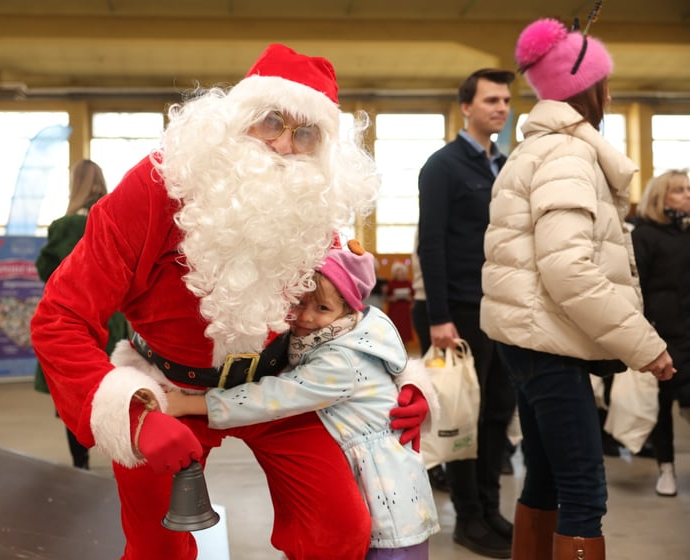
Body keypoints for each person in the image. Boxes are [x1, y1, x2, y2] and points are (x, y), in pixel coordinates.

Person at [30, 43, 429, 560]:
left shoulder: (308, 202)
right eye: (271, 122)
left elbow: (348, 314)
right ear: (235, 120)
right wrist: (134, 416)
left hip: (277, 385)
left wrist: (401, 382)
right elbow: (59, 317)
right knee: (158, 549)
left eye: (304, 133)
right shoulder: (154, 188)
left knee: (339, 531)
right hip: (168, 391)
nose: (284, 146)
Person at [481, 17, 675, 560]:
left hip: (530, 337)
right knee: (584, 491)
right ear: (584, 91)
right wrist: (645, 344)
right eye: (604, 83)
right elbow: (568, 270)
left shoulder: (539, 149)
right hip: (547, 344)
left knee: (544, 478)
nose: (610, 93)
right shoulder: (567, 155)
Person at [162, 242, 440, 559]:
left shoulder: (339, 363)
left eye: (322, 308)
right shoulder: (350, 333)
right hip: (383, 486)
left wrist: (191, 404)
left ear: (349, 309)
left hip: (388, 504)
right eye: (300, 303)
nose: (306, 317)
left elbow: (273, 397)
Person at [416, 67, 517, 558]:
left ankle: (492, 510)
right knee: (462, 415)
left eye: (506, 100)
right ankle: (467, 518)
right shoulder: (444, 165)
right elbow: (430, 245)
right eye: (492, 100)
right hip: (456, 311)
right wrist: (438, 316)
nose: (501, 107)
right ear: (468, 108)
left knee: (498, 411)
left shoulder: (504, 164)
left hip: (501, 308)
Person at [33, 159, 130, 469]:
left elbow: (47, 271)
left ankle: (81, 464)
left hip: (75, 317)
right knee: (118, 390)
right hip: (114, 319)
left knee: (76, 391)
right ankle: (124, 458)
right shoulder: (116, 217)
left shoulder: (65, 226)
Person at [631, 169, 690, 498]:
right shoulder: (644, 236)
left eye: (688, 189)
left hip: (689, 327)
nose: (687, 195)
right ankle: (665, 467)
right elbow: (637, 288)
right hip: (663, 332)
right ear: (660, 197)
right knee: (663, 402)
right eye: (679, 190)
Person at [384, 261, 415, 347]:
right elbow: (386, 298)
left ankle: (405, 350)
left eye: (402, 272)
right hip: (394, 311)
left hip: (405, 311)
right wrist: (392, 298)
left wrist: (409, 298)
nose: (400, 274)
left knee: (405, 331)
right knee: (394, 330)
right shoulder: (391, 283)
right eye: (398, 272)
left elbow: (414, 298)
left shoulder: (409, 283)